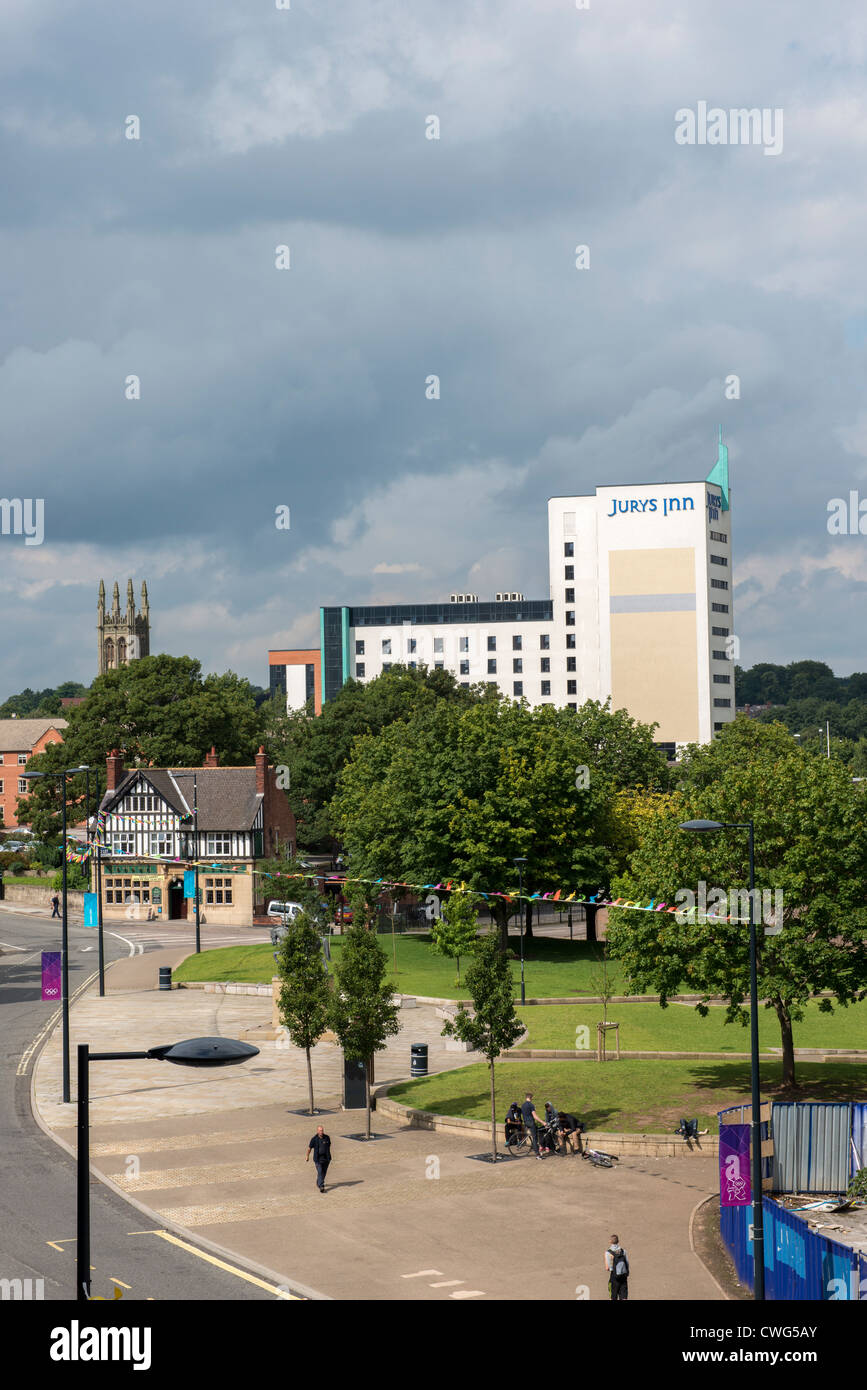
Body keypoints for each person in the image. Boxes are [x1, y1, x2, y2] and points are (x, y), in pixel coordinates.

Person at [306, 1125, 332, 1193]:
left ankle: (318, 1182)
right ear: (317, 1131)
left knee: (324, 1173)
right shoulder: (314, 1139)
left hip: (326, 1159)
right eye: (320, 1130)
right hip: (318, 1159)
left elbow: (329, 1145)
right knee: (320, 1172)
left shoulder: (327, 1137)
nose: (321, 1132)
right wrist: (307, 1156)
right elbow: (309, 1148)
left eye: (322, 1130)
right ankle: (321, 1186)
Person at [605, 1235, 629, 1300]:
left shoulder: (608, 1253)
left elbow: (607, 1268)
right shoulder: (623, 1251)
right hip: (623, 1277)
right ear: (618, 1241)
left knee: (613, 1297)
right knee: (624, 1297)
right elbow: (627, 1263)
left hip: (614, 1277)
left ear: (610, 1241)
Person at [521, 1092, 544, 1160]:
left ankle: (536, 1147)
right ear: (531, 1098)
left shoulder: (523, 1105)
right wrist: (542, 1122)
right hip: (531, 1122)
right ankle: (537, 1154)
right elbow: (534, 1116)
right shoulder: (531, 1105)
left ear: (526, 1097)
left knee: (536, 1131)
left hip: (526, 1122)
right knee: (535, 1138)